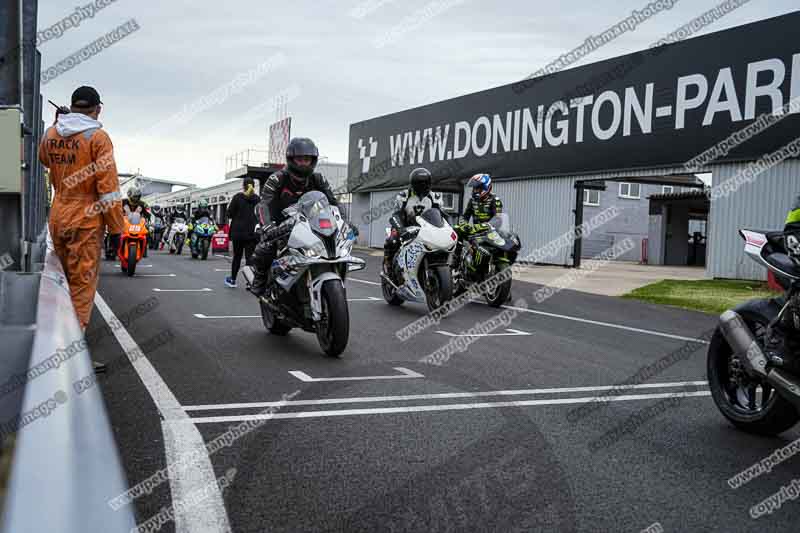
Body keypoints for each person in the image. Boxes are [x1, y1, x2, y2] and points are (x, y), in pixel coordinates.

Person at [38, 85, 125, 333]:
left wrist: (59, 126)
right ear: (98, 109)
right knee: (81, 286)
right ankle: (72, 346)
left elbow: (44, 158)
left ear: (73, 106)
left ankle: (56, 333)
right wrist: (116, 228)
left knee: (61, 280)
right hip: (86, 221)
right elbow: (108, 189)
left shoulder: (52, 133)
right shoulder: (98, 138)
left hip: (58, 216)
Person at [250, 137, 339, 297]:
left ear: (313, 160)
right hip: (281, 227)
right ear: (291, 159)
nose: (304, 163)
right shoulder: (277, 178)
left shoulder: (318, 179)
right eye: (300, 159)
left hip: (311, 226)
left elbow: (334, 203)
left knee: (334, 249)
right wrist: (268, 227)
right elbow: (264, 205)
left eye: (307, 159)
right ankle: (259, 281)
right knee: (266, 247)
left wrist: (345, 221)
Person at [383, 167, 441, 274]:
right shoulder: (404, 196)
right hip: (405, 226)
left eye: (425, 183)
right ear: (413, 184)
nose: (422, 186)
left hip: (427, 229)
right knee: (392, 240)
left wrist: (449, 228)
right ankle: (388, 265)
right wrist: (401, 229)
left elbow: (441, 214)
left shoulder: (435, 197)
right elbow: (396, 215)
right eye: (419, 184)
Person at [225, 177, 260, 288]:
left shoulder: (237, 197)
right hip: (251, 233)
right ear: (253, 186)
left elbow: (229, 214)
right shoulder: (257, 199)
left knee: (237, 257)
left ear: (243, 186)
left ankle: (233, 280)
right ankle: (250, 282)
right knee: (250, 258)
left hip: (238, 233)